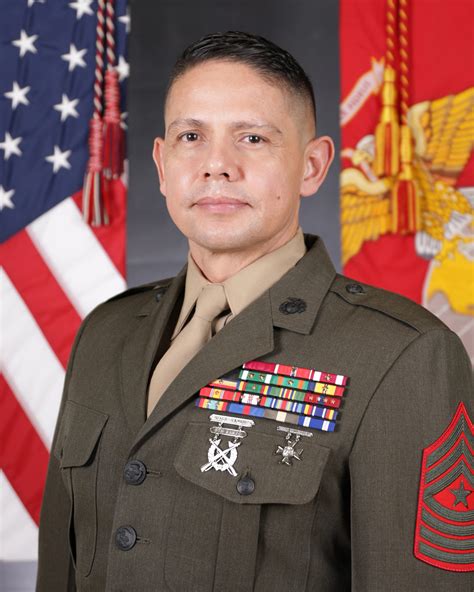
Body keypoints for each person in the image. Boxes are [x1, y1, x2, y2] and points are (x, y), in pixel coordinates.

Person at [36, 31, 473, 591]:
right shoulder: (104, 332)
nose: (217, 165)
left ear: (312, 167)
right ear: (163, 165)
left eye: (253, 138)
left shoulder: (403, 357)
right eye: (191, 136)